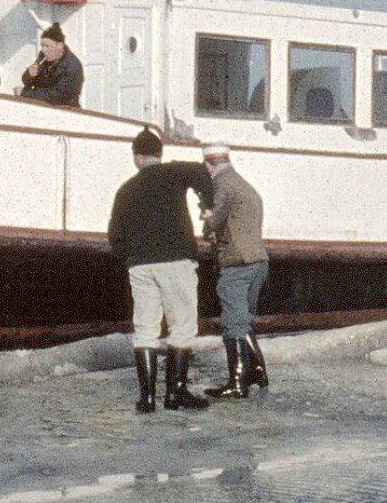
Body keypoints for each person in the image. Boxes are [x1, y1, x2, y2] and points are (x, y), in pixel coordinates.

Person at [108, 128, 213, 413]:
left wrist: (132, 258)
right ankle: (176, 393)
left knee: (145, 328)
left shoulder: (125, 190)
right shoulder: (175, 173)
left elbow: (115, 237)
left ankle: (147, 398)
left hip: (141, 266)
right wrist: (208, 205)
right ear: (159, 153)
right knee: (182, 326)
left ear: (136, 156)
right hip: (176, 260)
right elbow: (203, 172)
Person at [199, 145, 269, 401]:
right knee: (244, 319)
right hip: (258, 260)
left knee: (233, 323)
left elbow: (216, 221)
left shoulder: (224, 185)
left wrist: (207, 216)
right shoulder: (246, 186)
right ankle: (257, 371)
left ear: (209, 164)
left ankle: (237, 383)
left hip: (237, 262)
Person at [16, 23, 84, 106]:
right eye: (42, 46)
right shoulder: (43, 57)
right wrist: (29, 75)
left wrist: (25, 93)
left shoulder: (73, 66)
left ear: (60, 46)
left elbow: (57, 96)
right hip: (43, 107)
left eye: (47, 46)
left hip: (66, 111)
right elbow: (27, 82)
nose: (43, 50)